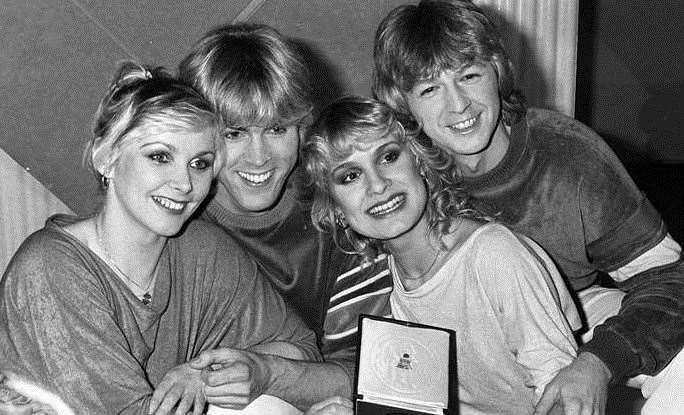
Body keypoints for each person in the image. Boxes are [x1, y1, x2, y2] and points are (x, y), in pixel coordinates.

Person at [372, 1, 684, 414]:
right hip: (461, 336)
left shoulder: (567, 153)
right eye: (430, 89)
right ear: (403, 103)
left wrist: (599, 362)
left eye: (469, 75)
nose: (459, 105)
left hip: (573, 307)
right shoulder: (402, 173)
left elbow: (670, 278)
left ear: (497, 71)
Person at [0, 61, 321, 414]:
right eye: (160, 156)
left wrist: (213, 372)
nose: (184, 184)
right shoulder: (51, 268)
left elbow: (302, 351)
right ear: (105, 158)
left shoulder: (200, 248)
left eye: (199, 163)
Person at [302, 95, 579, 414]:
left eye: (388, 157)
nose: (377, 185)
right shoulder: (380, 281)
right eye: (350, 176)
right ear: (336, 209)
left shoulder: (491, 255)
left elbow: (562, 393)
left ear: (418, 161)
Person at [177, 24, 392, 409]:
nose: (259, 157)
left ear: (301, 128)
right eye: (235, 133)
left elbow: (376, 373)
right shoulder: (175, 220)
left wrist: (270, 374)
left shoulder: (334, 213)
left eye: (276, 129)